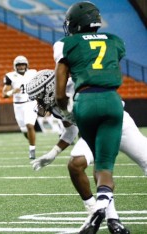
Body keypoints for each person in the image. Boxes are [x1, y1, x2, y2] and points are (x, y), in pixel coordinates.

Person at [27, 69, 133, 233]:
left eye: (39, 97)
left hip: (116, 121)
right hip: (94, 132)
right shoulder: (56, 107)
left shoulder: (76, 90)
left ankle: (109, 217)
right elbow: (71, 131)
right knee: (76, 164)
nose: (38, 103)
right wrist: (53, 153)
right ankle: (95, 212)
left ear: (49, 90)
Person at [53, 2, 126, 233]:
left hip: (85, 101)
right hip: (113, 101)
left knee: (94, 162)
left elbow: (60, 92)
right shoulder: (114, 40)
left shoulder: (67, 43)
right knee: (105, 168)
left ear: (75, 23)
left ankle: (100, 210)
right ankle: (110, 215)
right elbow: (109, 67)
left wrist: (66, 112)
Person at [2, 55, 37, 159]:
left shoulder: (33, 73)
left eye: (23, 64)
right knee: (25, 130)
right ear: (15, 66)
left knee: (30, 125)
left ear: (27, 65)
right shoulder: (10, 76)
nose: (21, 67)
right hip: (18, 105)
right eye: (19, 65)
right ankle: (31, 141)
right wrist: (12, 91)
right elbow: (4, 94)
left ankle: (32, 149)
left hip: (31, 102)